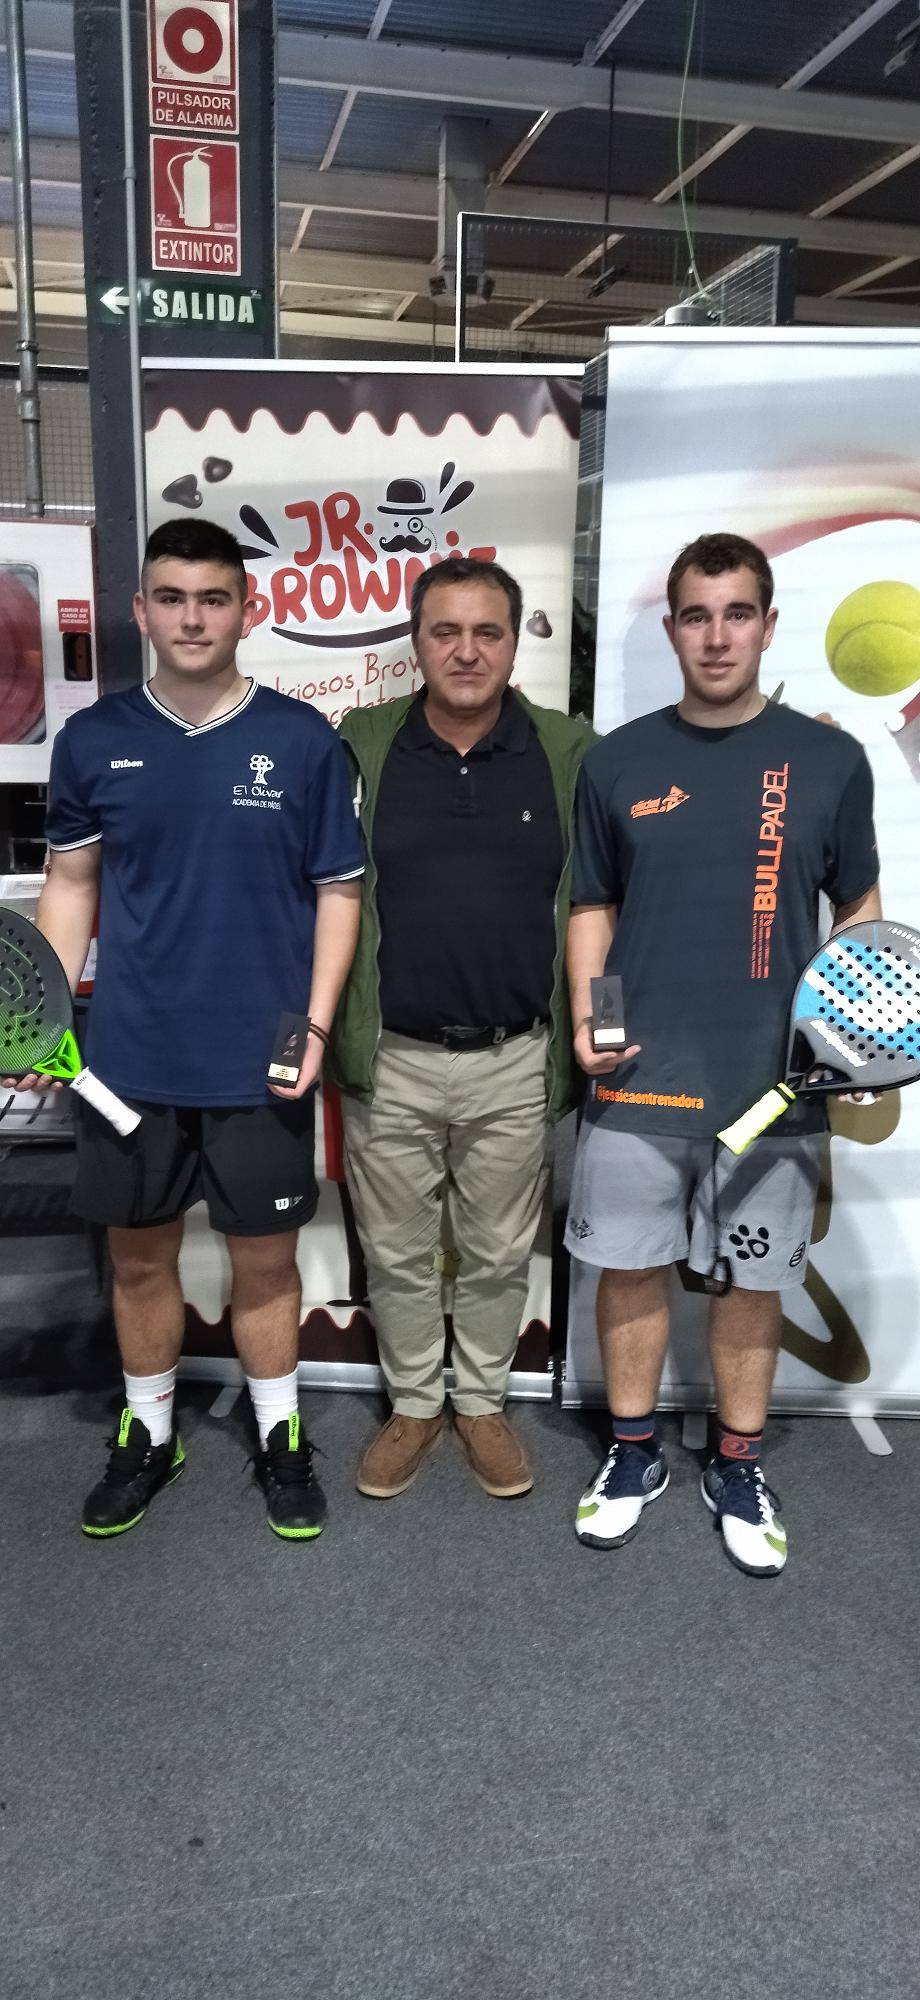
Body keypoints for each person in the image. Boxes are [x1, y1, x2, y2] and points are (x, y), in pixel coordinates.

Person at [4, 519, 363, 1540]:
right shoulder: (92, 740)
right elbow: (71, 885)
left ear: (248, 610)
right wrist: (40, 1012)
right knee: (138, 1263)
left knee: (265, 1266)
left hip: (261, 1059)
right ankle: (150, 1433)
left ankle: (280, 1435)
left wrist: (315, 1027)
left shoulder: (302, 740)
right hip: (129, 1058)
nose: (192, 618)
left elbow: (339, 893)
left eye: (213, 598)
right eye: (172, 597)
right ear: (142, 611)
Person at [565, 531, 880, 1577]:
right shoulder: (616, 759)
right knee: (628, 1270)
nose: (715, 635)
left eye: (736, 613)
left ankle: (736, 1466)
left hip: (772, 1083)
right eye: (696, 615)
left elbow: (858, 908)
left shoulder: (829, 760)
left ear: (767, 624)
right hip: (637, 1080)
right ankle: (633, 1455)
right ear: (671, 629)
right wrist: (591, 1017)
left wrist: (850, 1033)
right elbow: (592, 904)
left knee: (752, 1283)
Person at [328, 556, 593, 1500]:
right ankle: (413, 1405)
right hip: (392, 1056)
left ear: (515, 643)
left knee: (498, 1252)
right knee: (395, 1253)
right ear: (416, 641)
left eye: (488, 632)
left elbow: (619, 871)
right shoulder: (363, 744)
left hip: (516, 1056)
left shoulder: (568, 750)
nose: (467, 651)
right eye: (446, 631)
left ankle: (479, 1404)